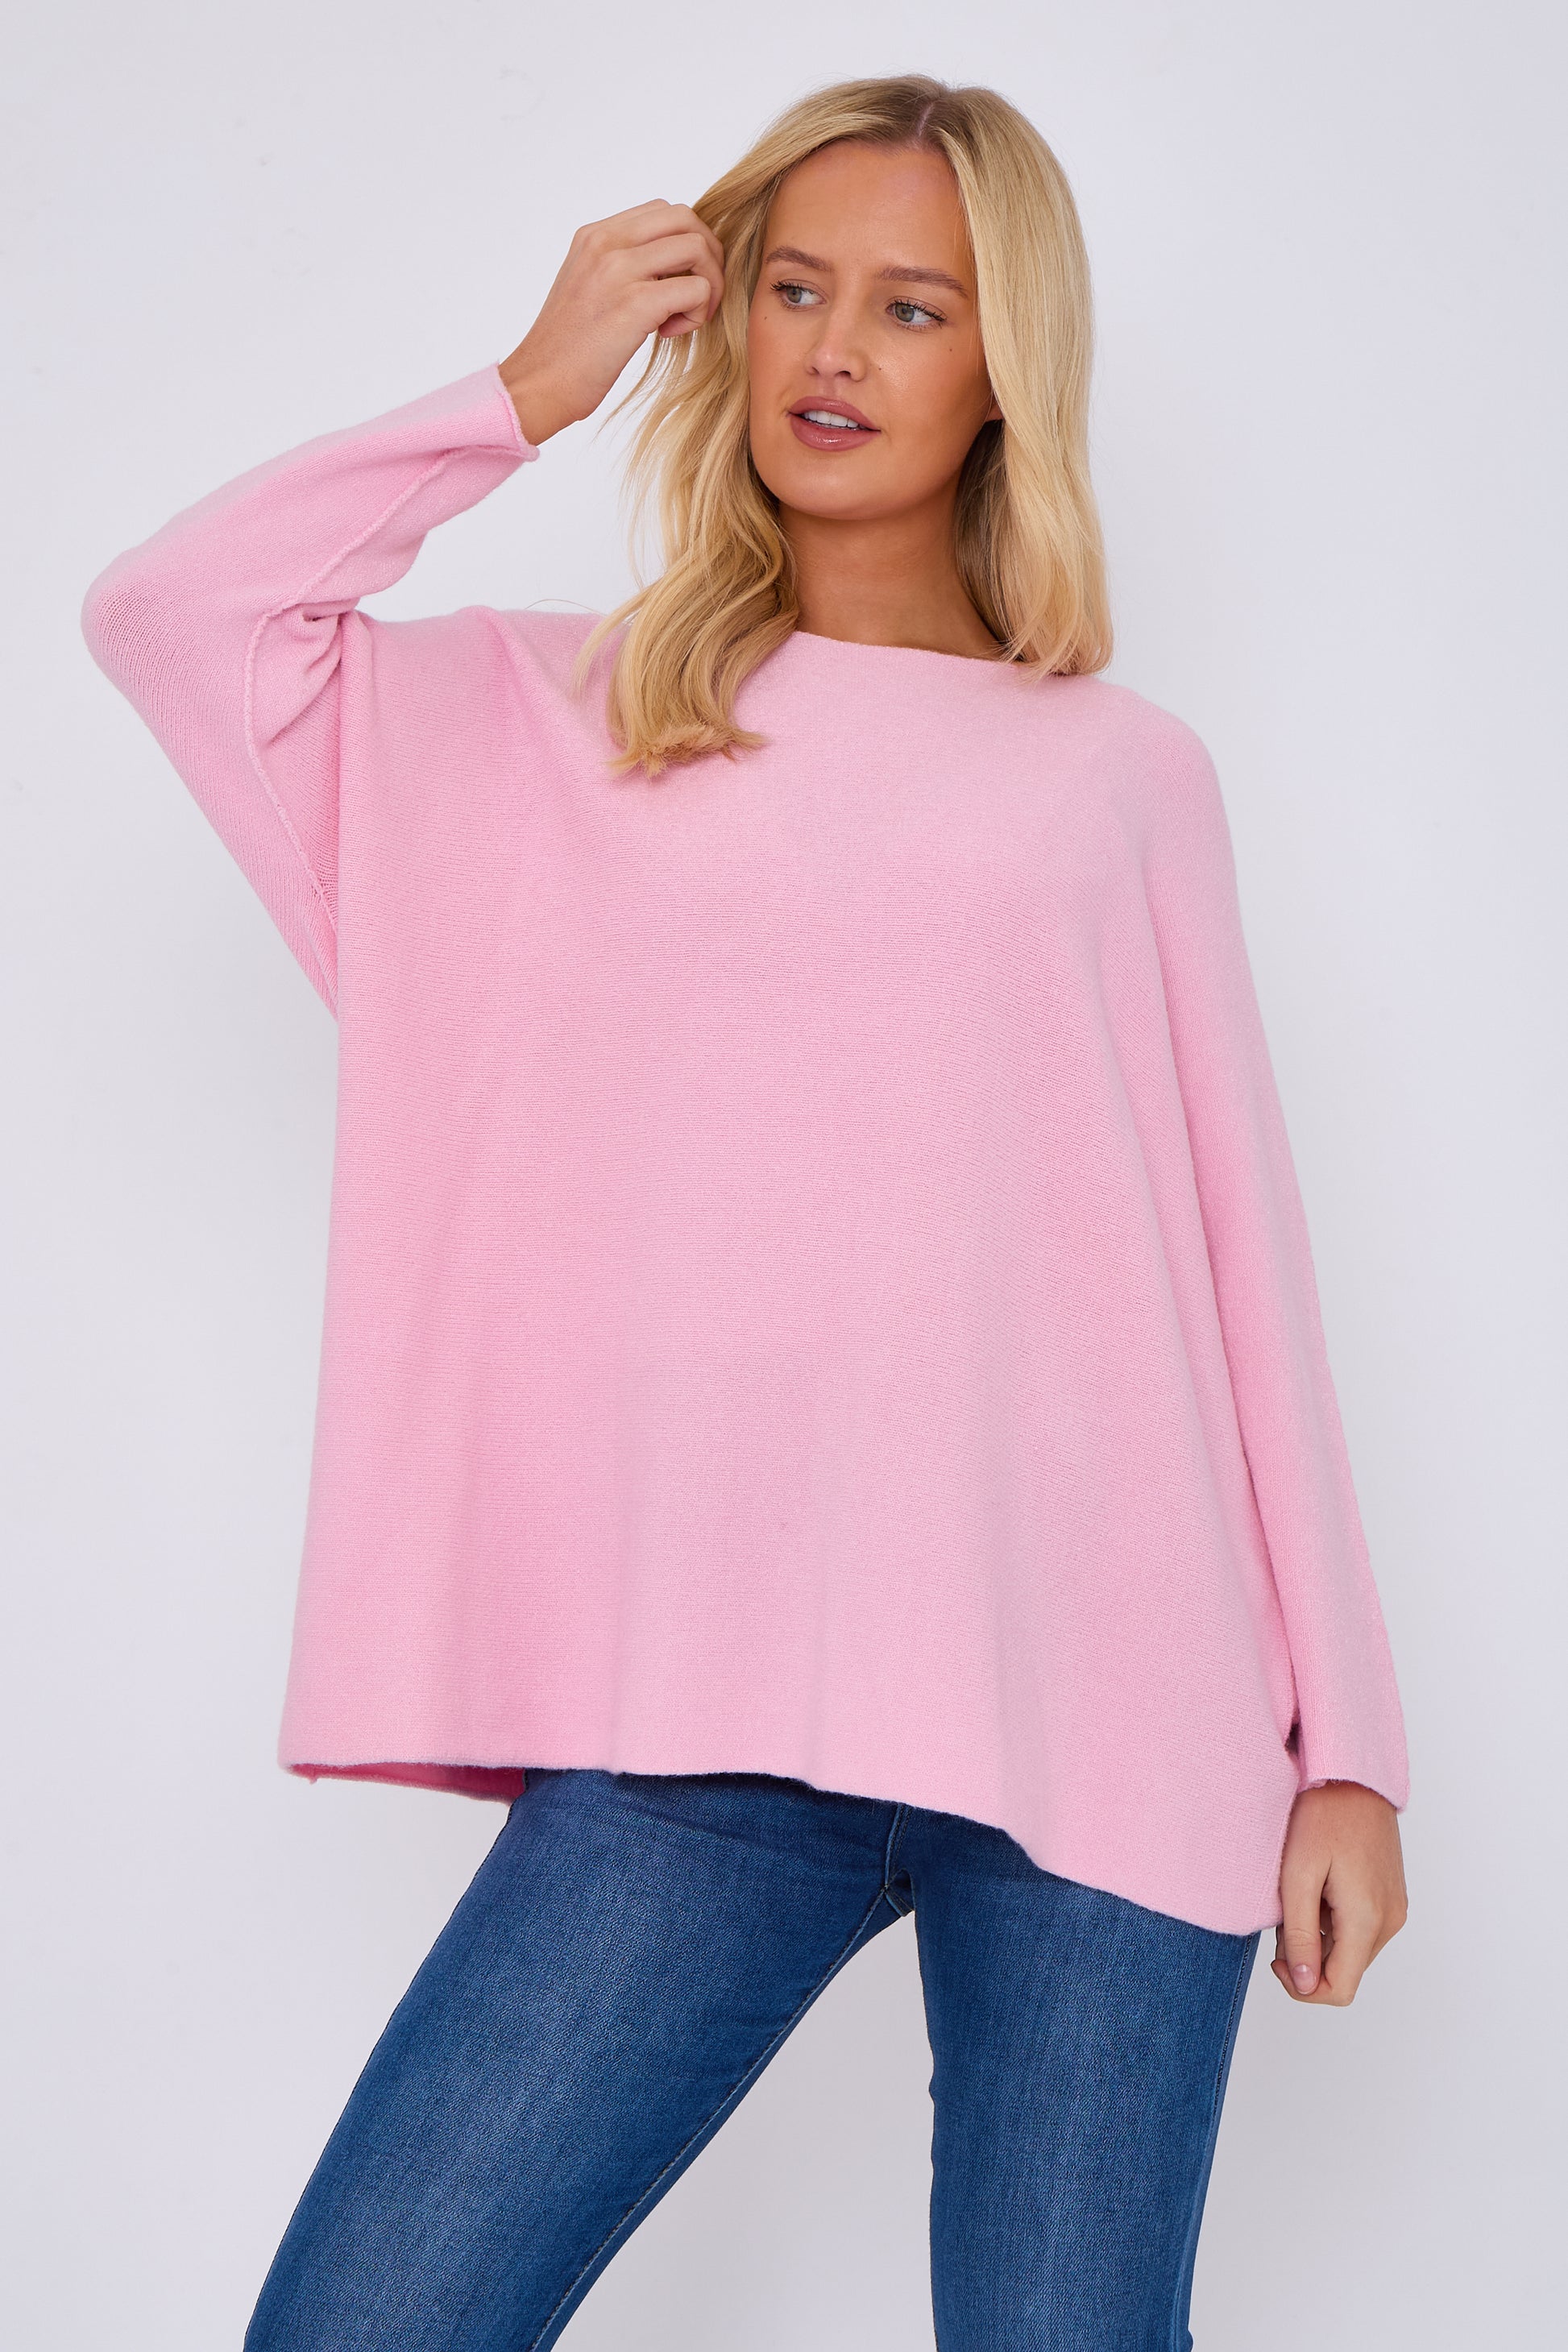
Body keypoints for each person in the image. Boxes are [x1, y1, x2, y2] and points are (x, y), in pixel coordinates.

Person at [81, 72, 1408, 2352]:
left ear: (1007, 370)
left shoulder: (1117, 777)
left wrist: (1349, 1748)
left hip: (1108, 1707)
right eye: (794, 286)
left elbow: (1238, 1274)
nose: (836, 348)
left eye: (912, 306)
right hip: (701, 1720)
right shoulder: (548, 727)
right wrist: (522, 391)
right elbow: (172, 615)